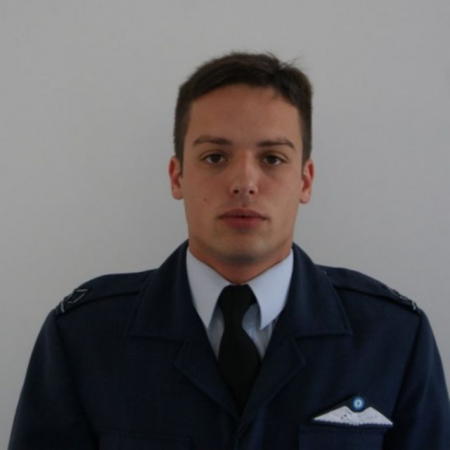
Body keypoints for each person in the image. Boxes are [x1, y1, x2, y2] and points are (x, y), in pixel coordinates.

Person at [9, 52, 450, 449]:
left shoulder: (393, 338)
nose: (244, 182)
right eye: (215, 157)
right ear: (177, 176)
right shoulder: (84, 337)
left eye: (272, 158)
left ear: (305, 180)